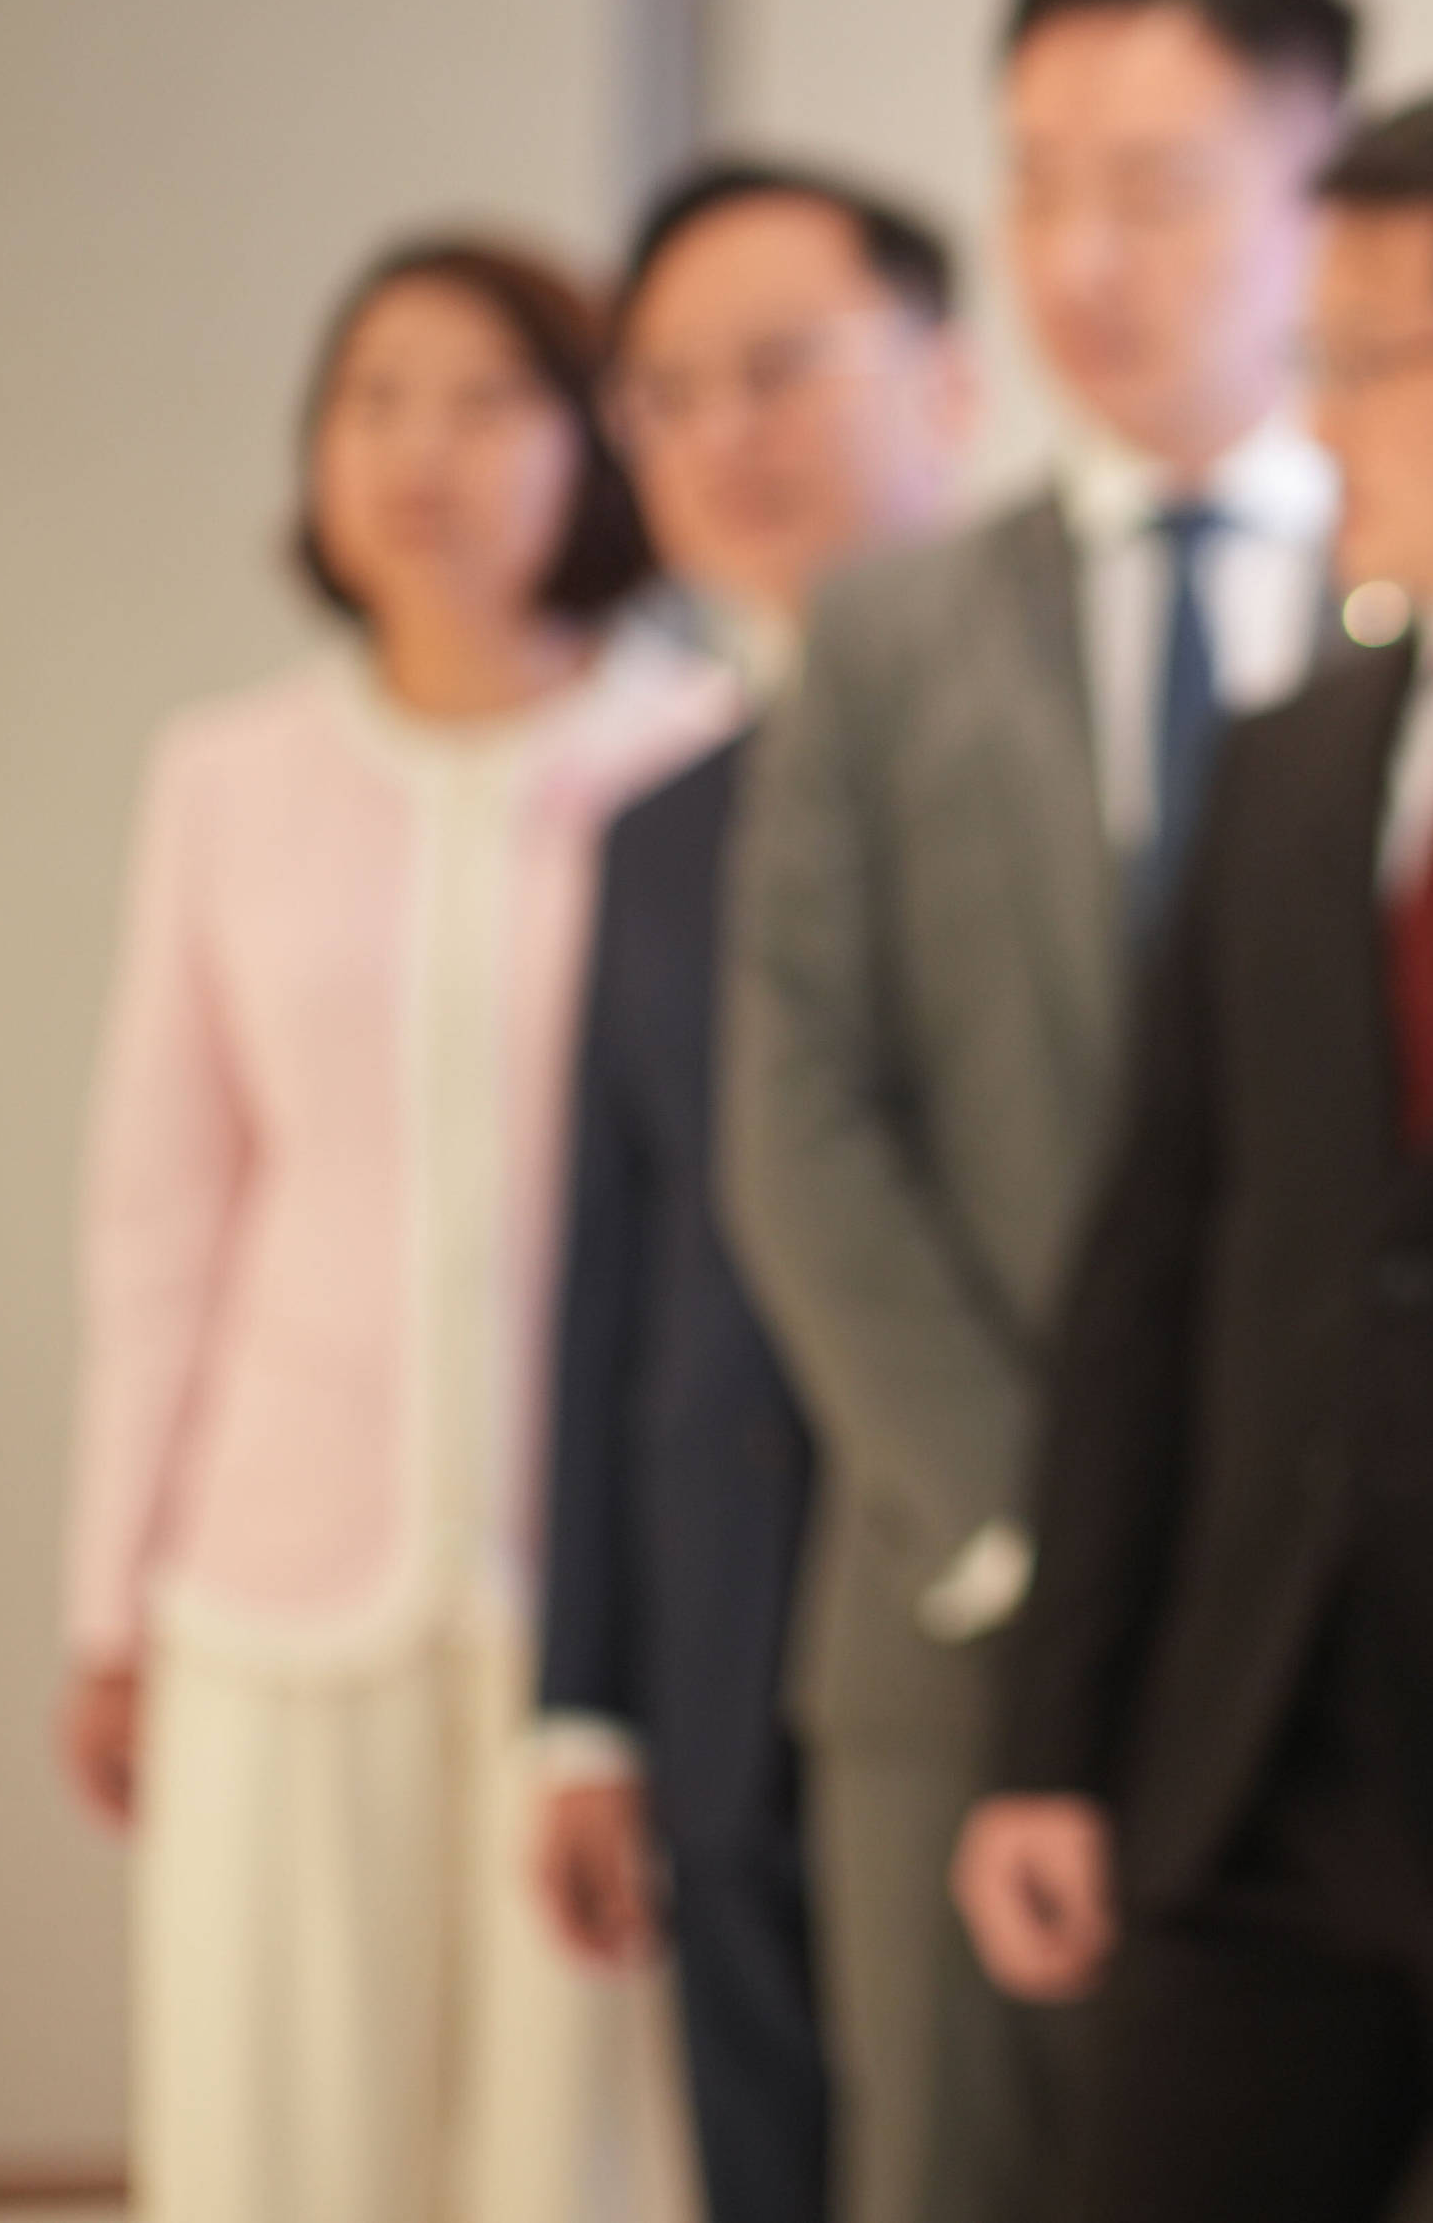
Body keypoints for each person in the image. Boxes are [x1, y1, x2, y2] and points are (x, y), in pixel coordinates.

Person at [949, 79, 1433, 2222]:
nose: (1315, 426)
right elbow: (1151, 1264)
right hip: (1250, 1765)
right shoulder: (1297, 752)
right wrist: (1052, 1735)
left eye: (1360, 363)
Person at [718, 0, 1352, 2223]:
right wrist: (1027, 1532)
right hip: (952, 1608)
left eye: (1158, 184)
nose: (1084, 251)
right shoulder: (884, 635)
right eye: (1038, 182)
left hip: (1330, 1629)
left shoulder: (1426, 606)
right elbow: (797, 1118)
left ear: (1315, 181)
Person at [60, 237, 726, 2223]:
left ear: (591, 448)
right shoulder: (227, 776)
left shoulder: (694, 757)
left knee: (582, 2150)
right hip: (278, 1574)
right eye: (375, 400)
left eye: (486, 398)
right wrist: (110, 1601)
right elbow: (159, 1212)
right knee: (277, 2130)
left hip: (596, 1593)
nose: (421, 450)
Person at [531, 162, 980, 2223]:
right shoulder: (654, 825)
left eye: (776, 372)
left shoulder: (1117, 760)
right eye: (663, 395)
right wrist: (583, 1703)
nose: (719, 438)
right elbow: (606, 1294)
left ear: (945, 384)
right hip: (723, 1643)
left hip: (981, 1610)